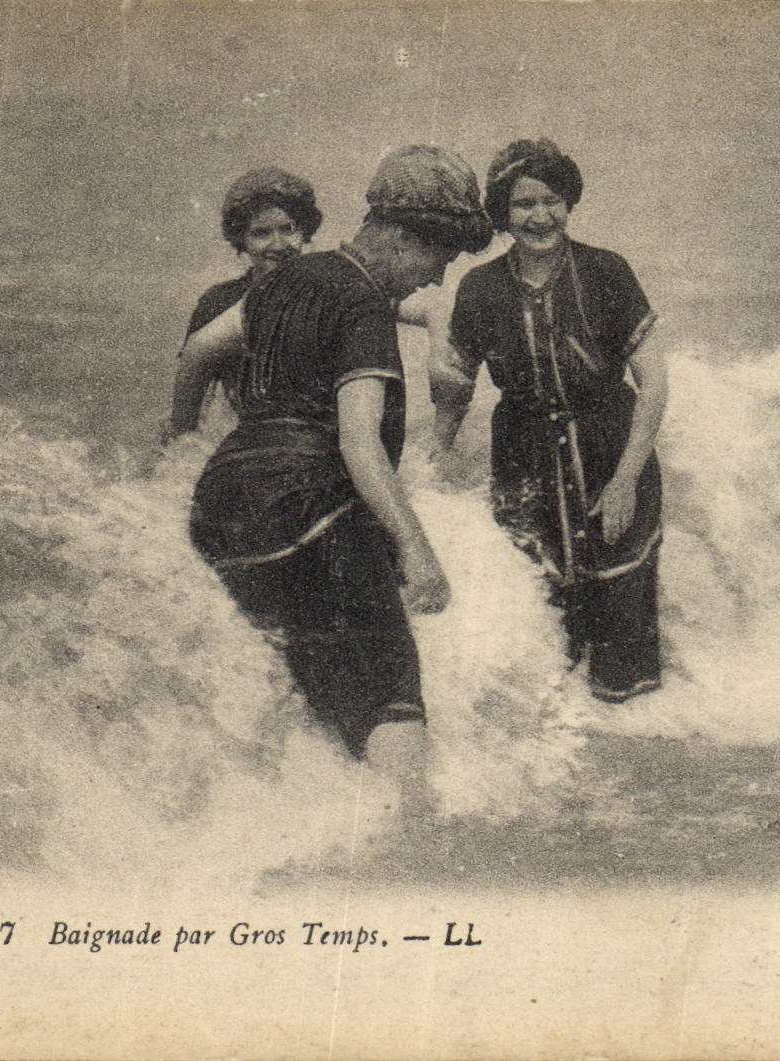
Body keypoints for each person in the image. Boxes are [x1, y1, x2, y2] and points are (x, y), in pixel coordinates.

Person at [164, 146, 493, 811]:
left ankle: (308, 834)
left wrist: (176, 437)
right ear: (402, 239)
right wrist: (417, 550)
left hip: (224, 512)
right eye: (439, 257)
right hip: (309, 507)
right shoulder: (365, 304)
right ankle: (407, 846)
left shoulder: (283, 280)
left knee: (317, 680)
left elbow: (198, 350)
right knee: (391, 691)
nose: (434, 277)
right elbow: (359, 442)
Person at [431, 139, 667, 703]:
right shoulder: (481, 288)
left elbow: (654, 384)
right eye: (523, 205)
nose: (540, 217)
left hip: (610, 447)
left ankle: (633, 744)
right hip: (523, 456)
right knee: (541, 613)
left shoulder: (607, 271)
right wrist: (433, 463)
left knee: (621, 617)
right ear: (502, 215)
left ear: (570, 202)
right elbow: (457, 389)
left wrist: (625, 483)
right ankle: (553, 761)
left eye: (552, 200)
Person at [165, 168, 323, 438]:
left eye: (288, 229)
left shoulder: (324, 290)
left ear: (305, 230)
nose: (278, 244)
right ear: (242, 240)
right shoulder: (219, 302)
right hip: (248, 434)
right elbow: (194, 391)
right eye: (261, 234)